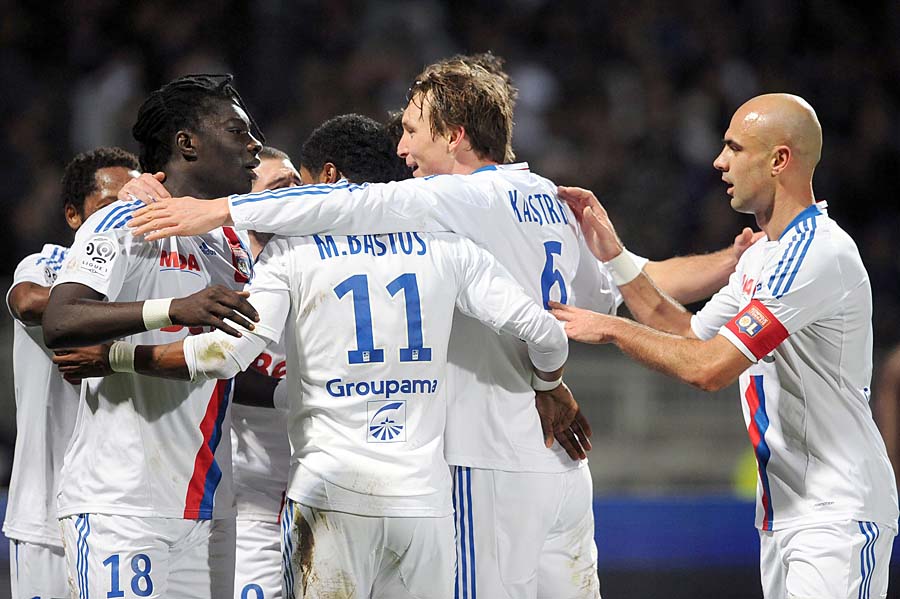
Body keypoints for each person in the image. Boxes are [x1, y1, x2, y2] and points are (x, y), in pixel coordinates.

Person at [118, 56, 749, 598]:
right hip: (561, 468)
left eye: (413, 131)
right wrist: (548, 379)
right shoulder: (555, 202)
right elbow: (614, 295)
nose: (401, 151)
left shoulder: (463, 199)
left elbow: (348, 201)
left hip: (485, 459)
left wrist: (214, 208)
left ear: (454, 136)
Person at [551, 94, 898, 599]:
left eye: (734, 147)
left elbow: (710, 368)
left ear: (779, 160)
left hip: (835, 514)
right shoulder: (764, 257)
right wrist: (615, 256)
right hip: (787, 513)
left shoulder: (817, 253)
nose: (719, 161)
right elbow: (686, 332)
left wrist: (611, 329)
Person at [42, 74, 262, 599]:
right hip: (123, 504)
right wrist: (174, 309)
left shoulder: (230, 244)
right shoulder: (123, 219)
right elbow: (62, 318)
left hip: (199, 509)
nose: (254, 146)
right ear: (188, 142)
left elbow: (225, 364)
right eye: (237, 131)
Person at [4, 147, 139, 599]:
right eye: (108, 208)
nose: (122, 220)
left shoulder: (156, 272)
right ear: (73, 216)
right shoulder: (49, 263)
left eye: (132, 206)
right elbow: (26, 301)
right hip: (46, 509)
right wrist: (137, 308)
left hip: (122, 510)